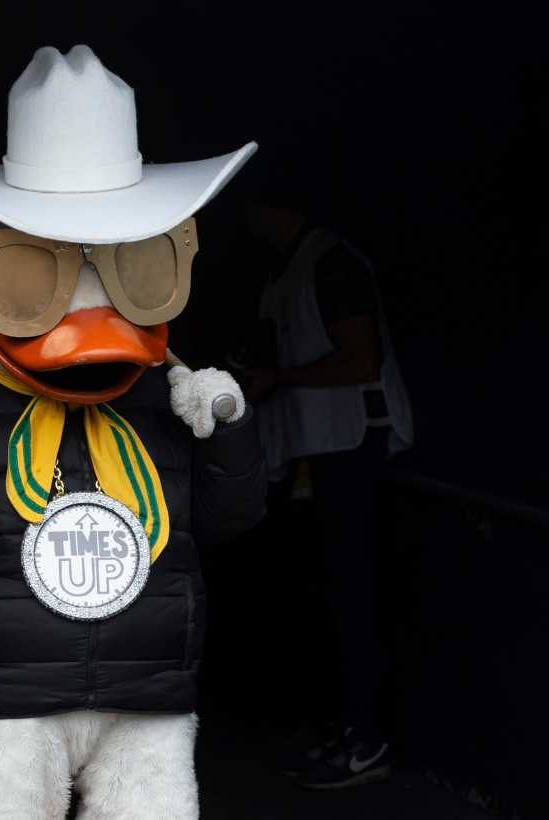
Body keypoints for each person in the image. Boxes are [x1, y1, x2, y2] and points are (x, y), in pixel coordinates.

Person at [0, 46, 265, 819]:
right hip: (7, 704)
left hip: (145, 700)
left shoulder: (166, 390)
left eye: (131, 268)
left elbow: (229, 522)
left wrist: (228, 434)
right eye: (34, 273)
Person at [240, 187, 414, 788]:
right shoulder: (287, 271)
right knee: (335, 593)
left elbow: (361, 360)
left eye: (252, 201)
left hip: (354, 448)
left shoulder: (332, 262)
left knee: (356, 594)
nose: (246, 216)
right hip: (318, 452)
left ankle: (367, 741)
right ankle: (350, 731)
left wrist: (280, 378)